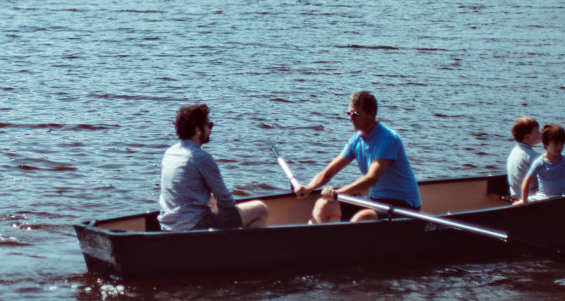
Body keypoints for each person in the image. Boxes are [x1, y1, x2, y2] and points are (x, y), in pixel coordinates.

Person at [296, 91, 421, 223]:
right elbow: (328, 173)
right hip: (377, 201)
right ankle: (316, 236)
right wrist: (308, 188)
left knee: (361, 218)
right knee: (323, 205)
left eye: (355, 114)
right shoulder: (355, 141)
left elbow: (371, 179)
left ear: (371, 114)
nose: (351, 118)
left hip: (404, 206)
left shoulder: (389, 139)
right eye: (349, 114)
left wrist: (339, 193)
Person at [158, 103, 270, 231]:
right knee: (260, 209)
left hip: (168, 227)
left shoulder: (170, 153)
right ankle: (244, 245)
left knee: (213, 202)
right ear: (198, 130)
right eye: (209, 125)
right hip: (194, 226)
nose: (210, 130)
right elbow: (226, 201)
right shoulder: (200, 157)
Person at [515, 123, 565, 203]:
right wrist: (524, 201)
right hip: (544, 198)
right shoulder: (539, 162)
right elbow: (526, 183)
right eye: (556, 144)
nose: (559, 147)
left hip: (564, 196)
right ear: (545, 145)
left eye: (562, 144)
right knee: (518, 204)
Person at [506, 117, 541, 199]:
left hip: (515, 194)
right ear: (527, 137)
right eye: (537, 132)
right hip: (529, 196)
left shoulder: (514, 151)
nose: (540, 133)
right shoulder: (532, 156)